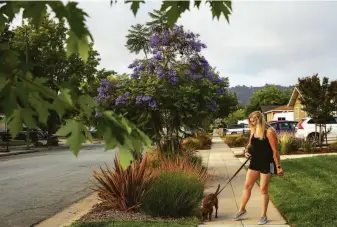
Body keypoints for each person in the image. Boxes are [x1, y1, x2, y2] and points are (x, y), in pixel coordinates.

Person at [232, 111, 283, 225]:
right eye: (251, 122)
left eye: (254, 121)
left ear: (260, 119)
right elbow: (249, 145)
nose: (252, 123)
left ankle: (263, 215)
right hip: (254, 162)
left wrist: (278, 167)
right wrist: (246, 152)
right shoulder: (254, 130)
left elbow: (275, 151)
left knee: (263, 189)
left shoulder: (269, 131)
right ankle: (242, 210)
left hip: (267, 163)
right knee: (247, 186)